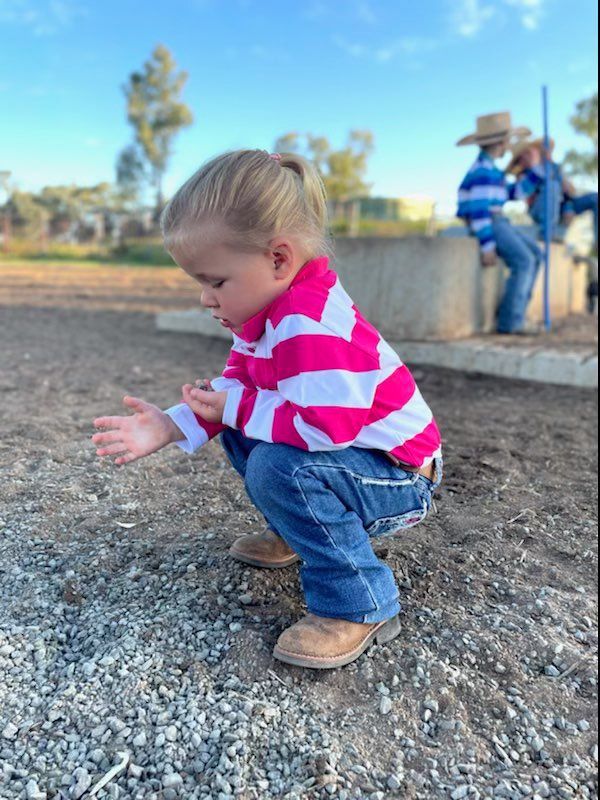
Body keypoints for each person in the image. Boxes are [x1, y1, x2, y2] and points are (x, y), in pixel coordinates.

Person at [92, 149, 443, 670]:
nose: (206, 300)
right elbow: (233, 392)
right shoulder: (264, 317)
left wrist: (234, 409)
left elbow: (328, 428)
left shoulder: (310, 323)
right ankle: (299, 531)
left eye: (216, 281)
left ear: (278, 259)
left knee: (278, 462)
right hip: (352, 458)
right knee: (243, 432)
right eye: (199, 284)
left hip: (398, 476)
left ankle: (361, 603)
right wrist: (170, 423)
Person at [456, 112, 544, 335]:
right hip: (492, 222)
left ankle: (517, 313)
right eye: (508, 140)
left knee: (536, 253)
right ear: (500, 142)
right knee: (524, 261)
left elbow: (514, 193)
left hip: (500, 220)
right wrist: (487, 246)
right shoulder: (483, 172)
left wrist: (534, 170)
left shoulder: (493, 171)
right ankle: (510, 321)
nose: (510, 145)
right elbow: (479, 211)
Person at [507, 138, 598, 249]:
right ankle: (550, 231)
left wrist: (568, 208)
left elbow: (566, 193)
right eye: (523, 156)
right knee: (552, 186)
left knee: (595, 198)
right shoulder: (524, 175)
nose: (527, 156)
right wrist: (536, 169)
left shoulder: (552, 167)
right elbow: (521, 194)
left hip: (562, 207)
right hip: (541, 211)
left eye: (529, 152)